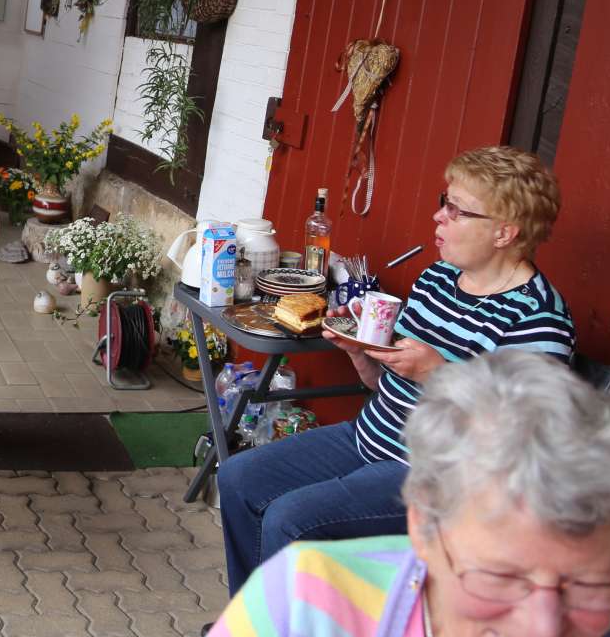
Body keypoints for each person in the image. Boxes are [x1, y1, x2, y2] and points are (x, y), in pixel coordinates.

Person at [218, 145, 574, 595]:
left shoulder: (538, 320)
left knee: (292, 519)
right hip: (368, 439)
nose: (438, 218)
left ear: (504, 232)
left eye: (456, 210)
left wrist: (438, 374)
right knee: (239, 477)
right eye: (444, 202)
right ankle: (250, 631)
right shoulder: (439, 279)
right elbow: (380, 387)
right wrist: (359, 350)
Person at [187, 350, 610, 637]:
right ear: (422, 528)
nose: (544, 629)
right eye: (502, 577)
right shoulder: (304, 609)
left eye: (588, 584)